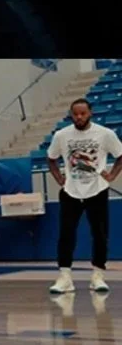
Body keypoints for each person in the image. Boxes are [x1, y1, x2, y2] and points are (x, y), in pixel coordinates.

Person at [47, 98, 122, 295]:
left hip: (96, 189)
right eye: (75, 114)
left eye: (83, 113)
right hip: (71, 191)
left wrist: (112, 175)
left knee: (99, 233)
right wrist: (58, 178)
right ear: (71, 115)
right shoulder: (62, 135)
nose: (79, 117)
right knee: (66, 234)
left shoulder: (105, 134)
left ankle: (97, 275)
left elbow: (120, 155)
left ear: (90, 113)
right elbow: (51, 158)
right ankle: (65, 277)